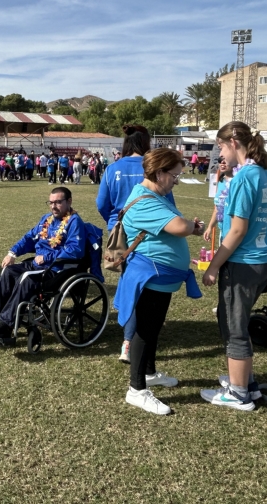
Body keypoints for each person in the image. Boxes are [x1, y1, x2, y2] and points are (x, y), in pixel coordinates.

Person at [114, 148, 204, 415]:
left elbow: (176, 225)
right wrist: (191, 226)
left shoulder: (155, 195)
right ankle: (137, 390)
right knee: (144, 330)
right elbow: (178, 226)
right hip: (149, 276)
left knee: (152, 328)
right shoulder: (144, 200)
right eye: (174, 175)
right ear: (159, 173)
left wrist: (188, 225)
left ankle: (149, 373)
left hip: (159, 277)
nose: (176, 180)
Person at [201, 121, 267, 411]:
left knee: (234, 327)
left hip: (245, 263)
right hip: (264, 259)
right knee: (235, 319)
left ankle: (239, 393)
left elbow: (236, 230)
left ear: (233, 143)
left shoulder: (245, 177)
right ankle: (245, 381)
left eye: (220, 146)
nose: (220, 152)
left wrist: (213, 267)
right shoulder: (265, 175)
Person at [0, 187, 85, 339]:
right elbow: (29, 238)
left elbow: (75, 250)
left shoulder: (74, 222)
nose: (53, 206)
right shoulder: (46, 220)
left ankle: (7, 324)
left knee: (27, 279)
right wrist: (12, 253)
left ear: (69, 201)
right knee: (9, 271)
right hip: (38, 264)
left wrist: (48, 257)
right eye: (51, 202)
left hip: (57, 269)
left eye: (58, 202)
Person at [97, 124, 172, 363]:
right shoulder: (153, 168)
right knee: (148, 289)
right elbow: (168, 204)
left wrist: (115, 221)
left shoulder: (113, 168)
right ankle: (133, 341)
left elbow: (102, 203)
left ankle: (129, 341)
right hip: (151, 234)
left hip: (121, 234)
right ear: (146, 142)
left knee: (130, 283)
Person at [203, 159, 233, 247]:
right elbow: (218, 208)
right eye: (220, 160)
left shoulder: (239, 182)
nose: (222, 163)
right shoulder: (221, 181)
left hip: (235, 233)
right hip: (223, 231)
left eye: (226, 160)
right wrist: (210, 227)